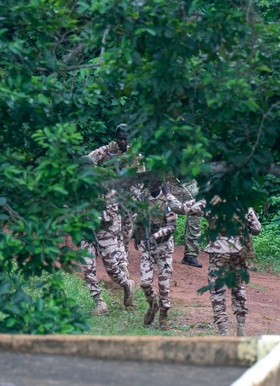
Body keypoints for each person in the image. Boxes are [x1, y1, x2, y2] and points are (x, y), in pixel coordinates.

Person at [81, 124, 137, 316]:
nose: (122, 142)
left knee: (114, 262)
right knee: (87, 265)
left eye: (125, 138)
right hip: (88, 228)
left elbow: (112, 209)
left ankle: (125, 280)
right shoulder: (79, 185)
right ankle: (99, 302)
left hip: (110, 219)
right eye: (119, 138)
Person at [135, 179, 201, 331]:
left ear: (159, 184)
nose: (150, 184)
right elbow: (137, 219)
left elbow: (172, 227)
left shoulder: (167, 201)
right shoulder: (142, 198)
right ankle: (153, 304)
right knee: (145, 283)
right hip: (148, 247)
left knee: (163, 285)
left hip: (164, 248)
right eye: (149, 182)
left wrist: (157, 234)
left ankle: (164, 315)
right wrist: (137, 236)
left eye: (154, 182)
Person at [201, 200, 262, 336]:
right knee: (238, 286)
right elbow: (257, 228)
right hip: (239, 251)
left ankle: (224, 331)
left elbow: (189, 209)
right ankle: (241, 327)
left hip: (218, 251)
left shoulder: (211, 202)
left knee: (217, 290)